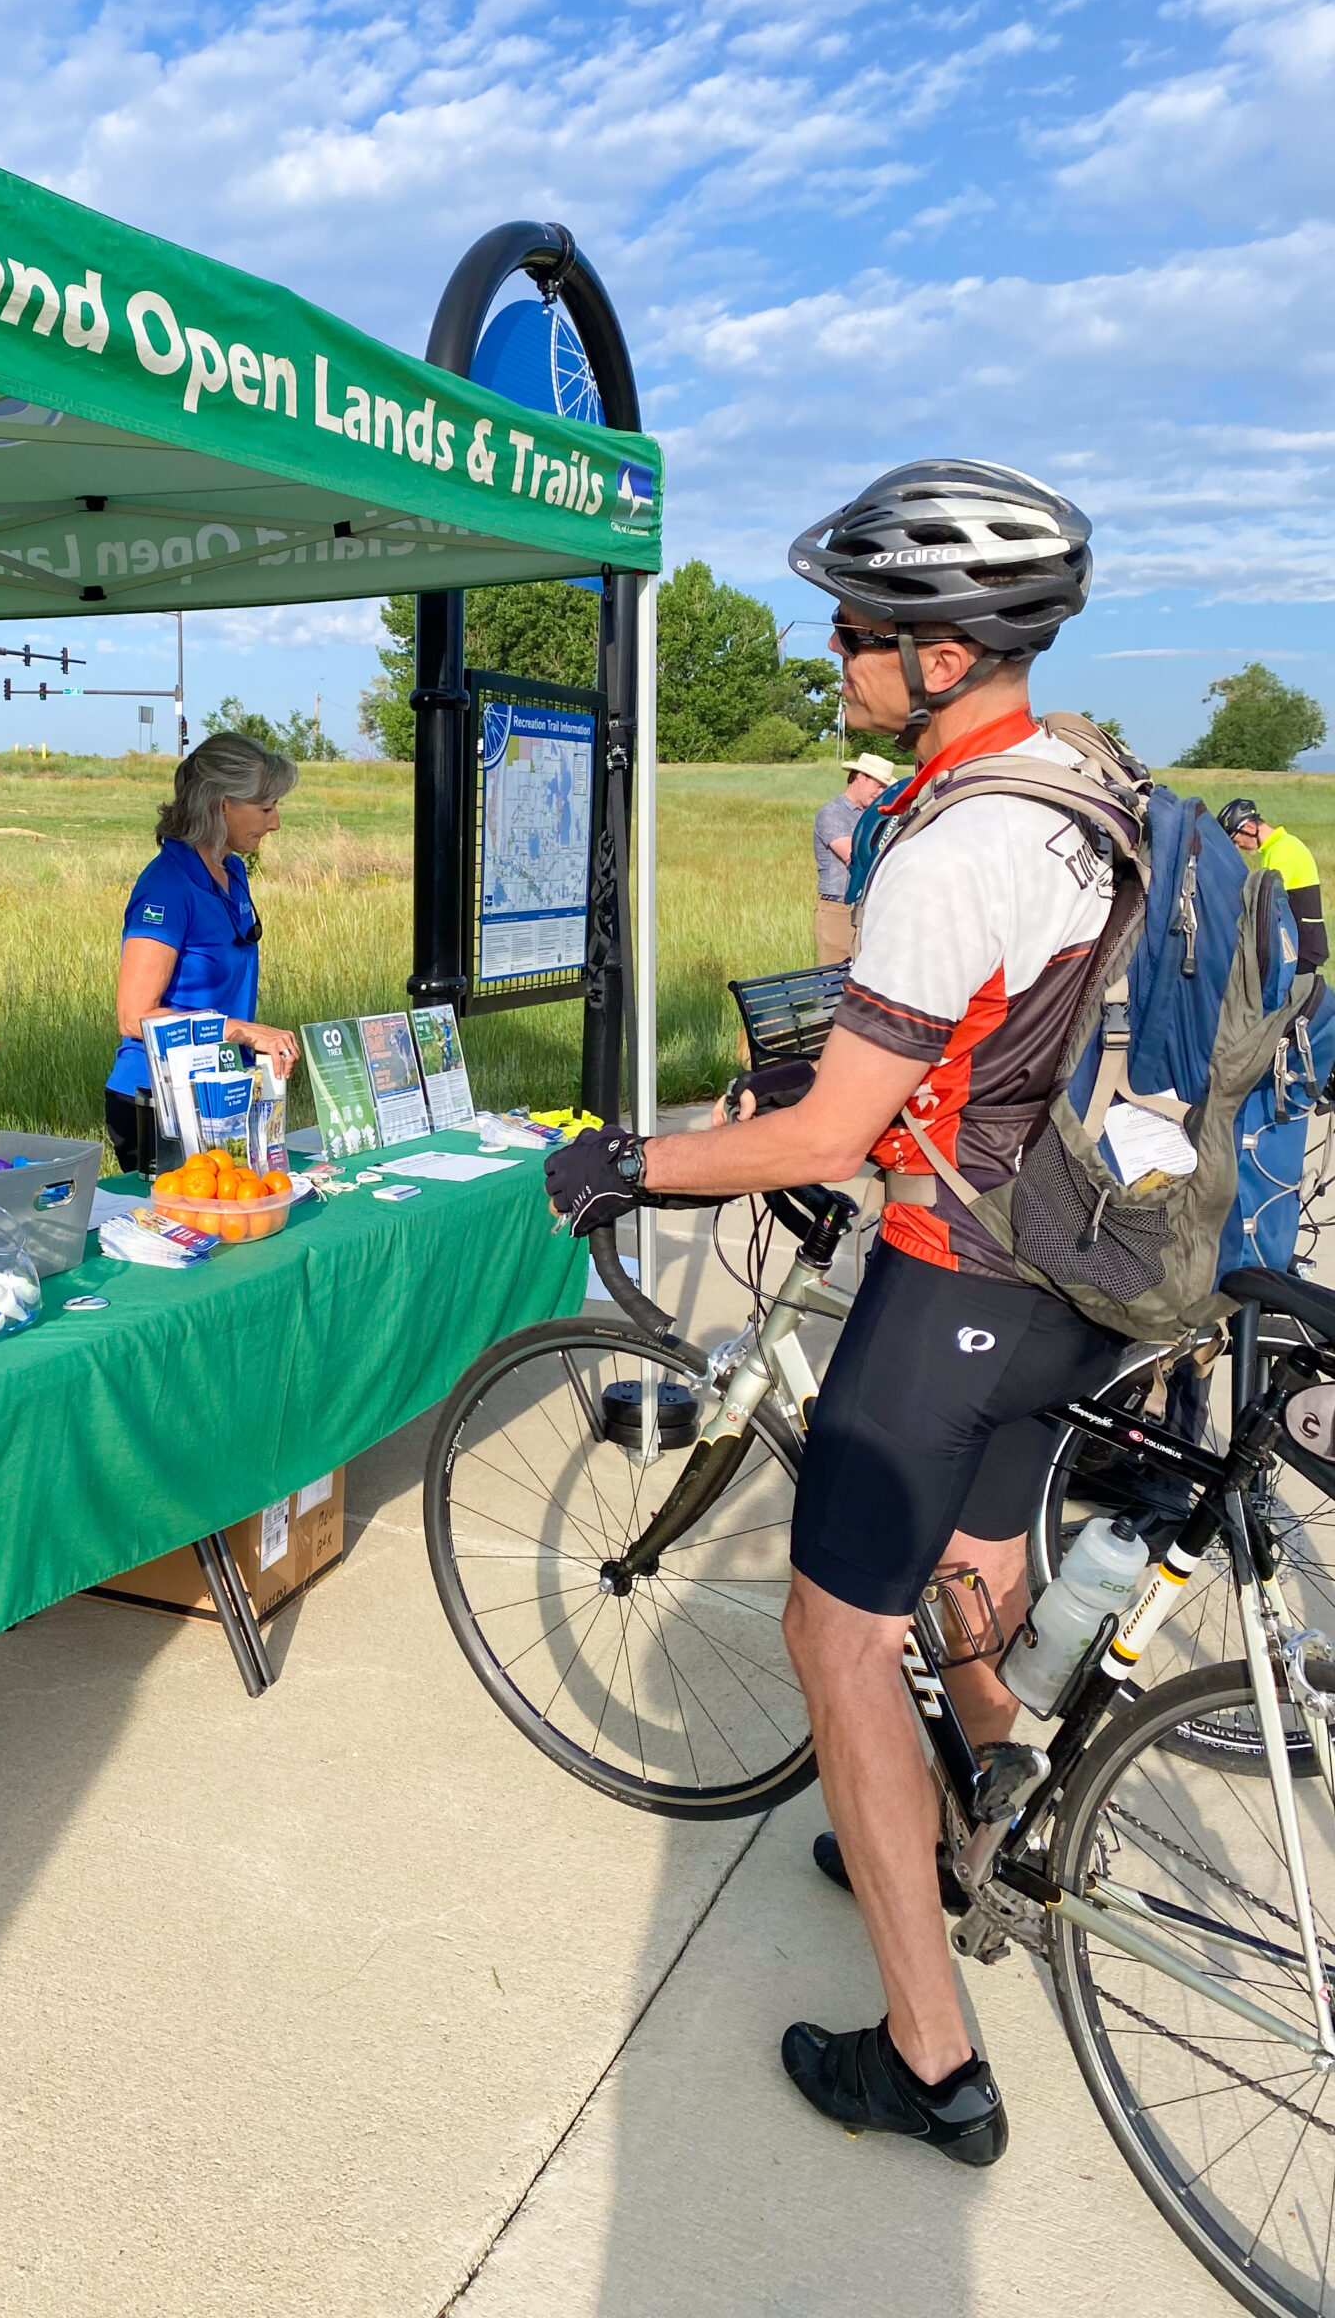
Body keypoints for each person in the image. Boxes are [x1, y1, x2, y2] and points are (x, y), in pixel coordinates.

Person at [545, 459, 1122, 2170]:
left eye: (858, 630)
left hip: (957, 1275)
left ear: (943, 656)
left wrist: (630, 1162)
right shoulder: (1093, 779)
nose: (834, 654)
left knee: (830, 1636)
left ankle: (928, 2052)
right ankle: (979, 1825)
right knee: (976, 1568)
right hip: (1075, 1264)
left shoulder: (957, 846)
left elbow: (820, 1136)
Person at [106, 731, 302, 1172]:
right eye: (266, 808)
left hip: (218, 1092)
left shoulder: (230, 870)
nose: (275, 823)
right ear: (221, 804)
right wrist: (242, 1031)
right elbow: (133, 1015)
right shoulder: (167, 887)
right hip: (161, 1102)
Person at [1217, 797, 1327, 971]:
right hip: (1297, 944)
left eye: (1236, 840)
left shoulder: (1282, 849)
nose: (1237, 848)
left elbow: (1268, 904)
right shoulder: (1274, 848)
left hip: (1300, 948)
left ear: (1250, 827)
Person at [811, 752, 898, 964]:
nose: (881, 792)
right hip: (839, 910)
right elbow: (857, 858)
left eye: (884, 787)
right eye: (878, 785)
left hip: (866, 909)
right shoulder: (832, 813)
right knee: (835, 981)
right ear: (860, 777)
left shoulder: (872, 815)